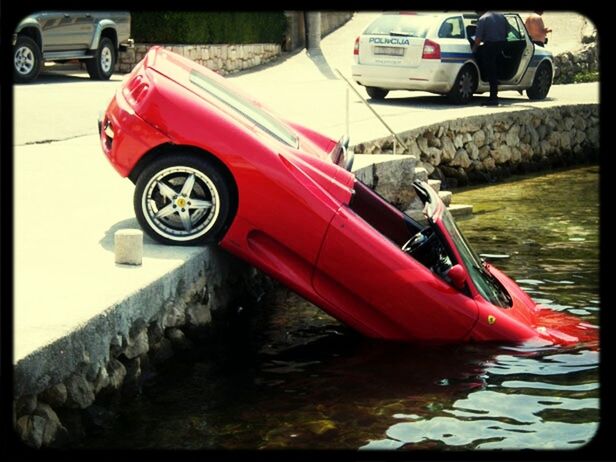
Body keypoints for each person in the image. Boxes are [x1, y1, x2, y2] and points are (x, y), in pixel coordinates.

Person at [472, 11, 508, 106]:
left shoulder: (483, 19)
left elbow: (477, 40)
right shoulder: (501, 16)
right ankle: (496, 83)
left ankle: (493, 98)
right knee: (495, 68)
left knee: (491, 71)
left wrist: (474, 49)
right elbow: (508, 32)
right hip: (501, 45)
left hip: (490, 46)